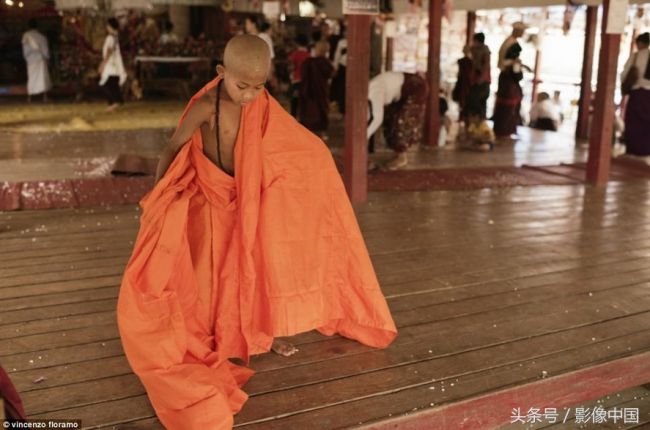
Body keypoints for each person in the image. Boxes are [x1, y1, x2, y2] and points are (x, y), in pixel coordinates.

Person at [117, 35, 397, 430]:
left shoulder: (261, 106)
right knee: (211, 276)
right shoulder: (205, 106)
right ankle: (219, 337)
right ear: (221, 73)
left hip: (246, 200)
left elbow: (289, 142)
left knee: (249, 267)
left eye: (259, 86)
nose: (249, 96)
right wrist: (159, 195)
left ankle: (257, 332)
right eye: (241, 86)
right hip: (211, 202)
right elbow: (173, 148)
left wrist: (317, 162)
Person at [367, 71, 428, 170]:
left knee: (402, 121)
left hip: (416, 87)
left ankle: (401, 157)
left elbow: (376, 119)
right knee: (389, 119)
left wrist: (364, 136)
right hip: (403, 89)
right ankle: (398, 154)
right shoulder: (371, 92)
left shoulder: (372, 92)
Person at [622, 32, 650, 155]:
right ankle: (646, 149)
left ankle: (633, 149)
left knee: (633, 122)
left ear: (639, 43)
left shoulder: (635, 57)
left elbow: (624, 75)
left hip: (637, 94)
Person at [299, 41, 334, 137]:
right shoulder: (325, 63)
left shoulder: (308, 62)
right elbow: (331, 73)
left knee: (308, 111)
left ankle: (306, 131)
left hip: (308, 91)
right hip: (321, 90)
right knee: (321, 109)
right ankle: (322, 131)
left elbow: (302, 75)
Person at [493, 43, 525, 141]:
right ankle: (506, 133)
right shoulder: (515, 63)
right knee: (509, 114)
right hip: (511, 93)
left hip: (503, 91)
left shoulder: (504, 63)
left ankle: (499, 131)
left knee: (501, 112)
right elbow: (518, 77)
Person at [99, 18, 127, 112]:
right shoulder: (115, 37)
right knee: (111, 84)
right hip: (113, 64)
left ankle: (116, 101)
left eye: (108, 26)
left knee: (106, 84)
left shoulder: (111, 37)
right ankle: (112, 103)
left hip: (110, 64)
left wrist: (103, 63)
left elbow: (109, 50)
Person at [21, 19, 51, 103]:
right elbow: (46, 50)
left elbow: (25, 50)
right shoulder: (42, 37)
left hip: (30, 60)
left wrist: (26, 58)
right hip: (40, 59)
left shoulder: (25, 36)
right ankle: (44, 97)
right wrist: (47, 58)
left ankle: (30, 97)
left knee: (31, 78)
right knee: (42, 78)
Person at [467, 33, 491, 118]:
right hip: (479, 81)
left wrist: (480, 79)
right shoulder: (476, 50)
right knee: (478, 105)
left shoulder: (483, 51)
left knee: (476, 105)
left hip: (480, 82)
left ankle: (477, 126)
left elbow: (485, 67)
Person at [288, 34, 311, 117]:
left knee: (294, 101)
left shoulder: (294, 54)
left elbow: (291, 66)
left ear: (297, 43)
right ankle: (304, 118)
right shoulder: (309, 55)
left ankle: (293, 119)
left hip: (296, 80)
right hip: (306, 80)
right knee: (304, 101)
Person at [452, 45, 473, 122]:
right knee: (463, 99)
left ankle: (463, 116)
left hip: (464, 82)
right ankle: (463, 116)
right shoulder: (467, 61)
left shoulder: (465, 61)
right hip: (464, 82)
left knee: (464, 99)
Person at [330, 34, 347, 114]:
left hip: (353, 67)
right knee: (342, 88)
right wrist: (335, 68)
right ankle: (342, 108)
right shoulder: (342, 42)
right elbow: (337, 55)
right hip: (343, 67)